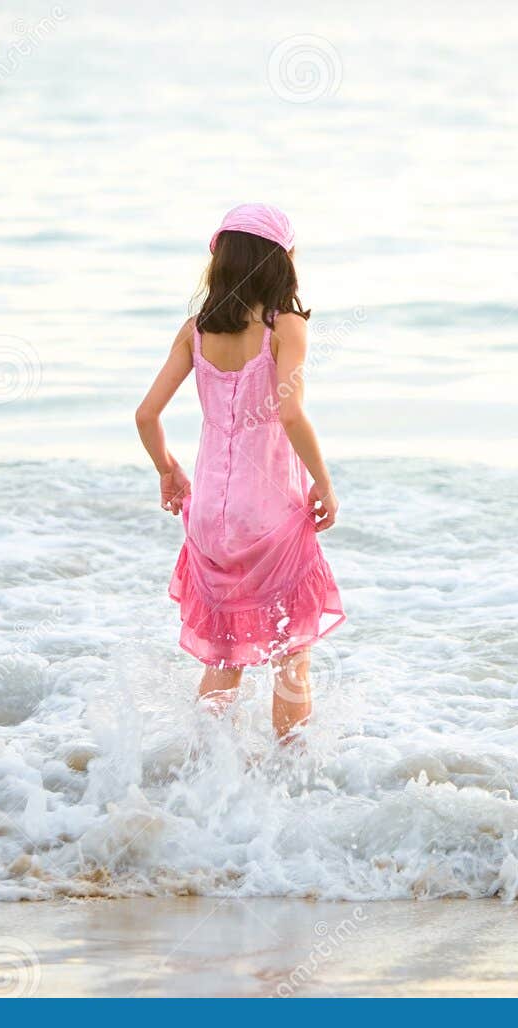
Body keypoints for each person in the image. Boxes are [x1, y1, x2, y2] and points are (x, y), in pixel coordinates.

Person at [134, 203, 344, 741]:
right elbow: (291, 412)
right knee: (291, 655)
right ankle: (290, 774)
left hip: (208, 516)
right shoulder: (285, 326)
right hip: (269, 512)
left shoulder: (197, 331)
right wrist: (323, 481)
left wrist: (167, 470)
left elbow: (146, 414)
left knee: (223, 655)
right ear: (281, 263)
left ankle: (208, 767)